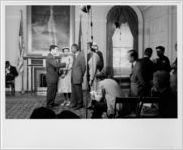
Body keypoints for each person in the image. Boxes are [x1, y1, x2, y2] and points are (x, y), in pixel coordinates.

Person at [70, 44, 86, 110]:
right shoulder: (74, 56)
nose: (71, 50)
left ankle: (80, 104)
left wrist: (80, 75)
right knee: (74, 91)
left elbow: (83, 67)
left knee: (78, 91)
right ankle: (74, 103)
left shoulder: (81, 56)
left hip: (78, 77)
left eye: (72, 48)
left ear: (76, 48)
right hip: (73, 77)